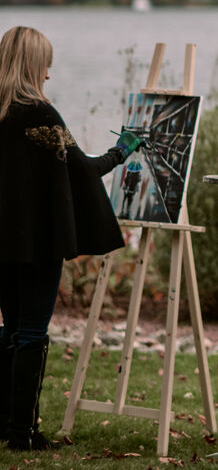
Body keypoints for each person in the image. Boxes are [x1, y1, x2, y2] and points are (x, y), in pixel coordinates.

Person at [0, 26, 141, 450]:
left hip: (1, 243)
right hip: (36, 243)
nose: (48, 76)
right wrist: (123, 150)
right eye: (46, 66)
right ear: (33, 66)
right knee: (31, 333)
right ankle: (24, 434)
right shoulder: (40, 113)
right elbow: (82, 168)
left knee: (9, 329)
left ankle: (6, 425)